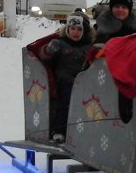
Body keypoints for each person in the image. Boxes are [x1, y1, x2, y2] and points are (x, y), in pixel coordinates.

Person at [34, 10, 94, 143]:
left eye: (79, 29)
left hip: (83, 80)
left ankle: (84, 130)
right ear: (67, 29)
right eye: (72, 28)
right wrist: (49, 49)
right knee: (66, 101)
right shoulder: (60, 43)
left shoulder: (88, 46)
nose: (75, 32)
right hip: (65, 80)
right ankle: (59, 129)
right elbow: (43, 55)